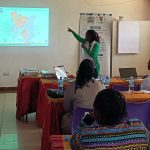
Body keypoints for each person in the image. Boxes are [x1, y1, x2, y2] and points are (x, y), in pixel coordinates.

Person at [70, 89, 149, 149]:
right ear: (123, 110)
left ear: (97, 113)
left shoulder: (85, 136)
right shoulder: (139, 127)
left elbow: (73, 143)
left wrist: (87, 119)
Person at [61, 59, 105, 134]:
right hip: (96, 123)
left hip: (76, 124)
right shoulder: (100, 84)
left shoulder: (73, 86)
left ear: (79, 71)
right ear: (93, 71)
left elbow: (66, 108)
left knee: (64, 117)